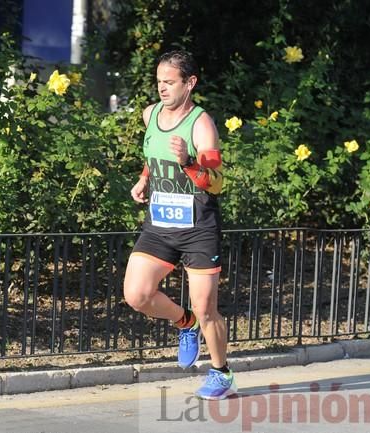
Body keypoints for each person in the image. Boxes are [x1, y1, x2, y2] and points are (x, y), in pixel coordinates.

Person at [123, 50, 235, 400]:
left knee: (207, 309)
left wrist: (187, 160)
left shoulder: (201, 125)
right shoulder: (150, 115)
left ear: (190, 83)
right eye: (159, 82)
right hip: (159, 223)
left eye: (169, 82)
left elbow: (217, 182)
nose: (162, 89)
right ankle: (183, 322)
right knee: (136, 294)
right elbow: (153, 153)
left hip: (198, 226)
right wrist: (145, 178)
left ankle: (221, 372)